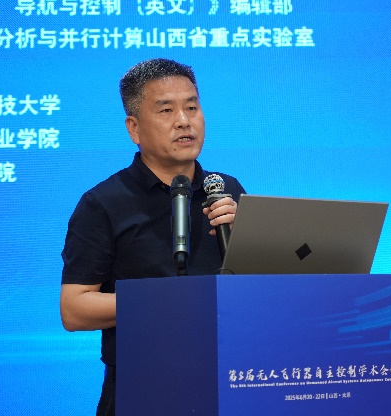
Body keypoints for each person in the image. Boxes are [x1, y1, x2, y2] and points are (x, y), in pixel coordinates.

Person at [59, 58, 245, 416]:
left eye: (192, 107)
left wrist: (246, 241)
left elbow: (255, 291)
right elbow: (74, 309)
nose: (184, 121)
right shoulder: (104, 203)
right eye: (166, 110)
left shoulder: (226, 190)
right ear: (134, 128)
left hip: (228, 376)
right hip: (142, 385)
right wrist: (164, 300)